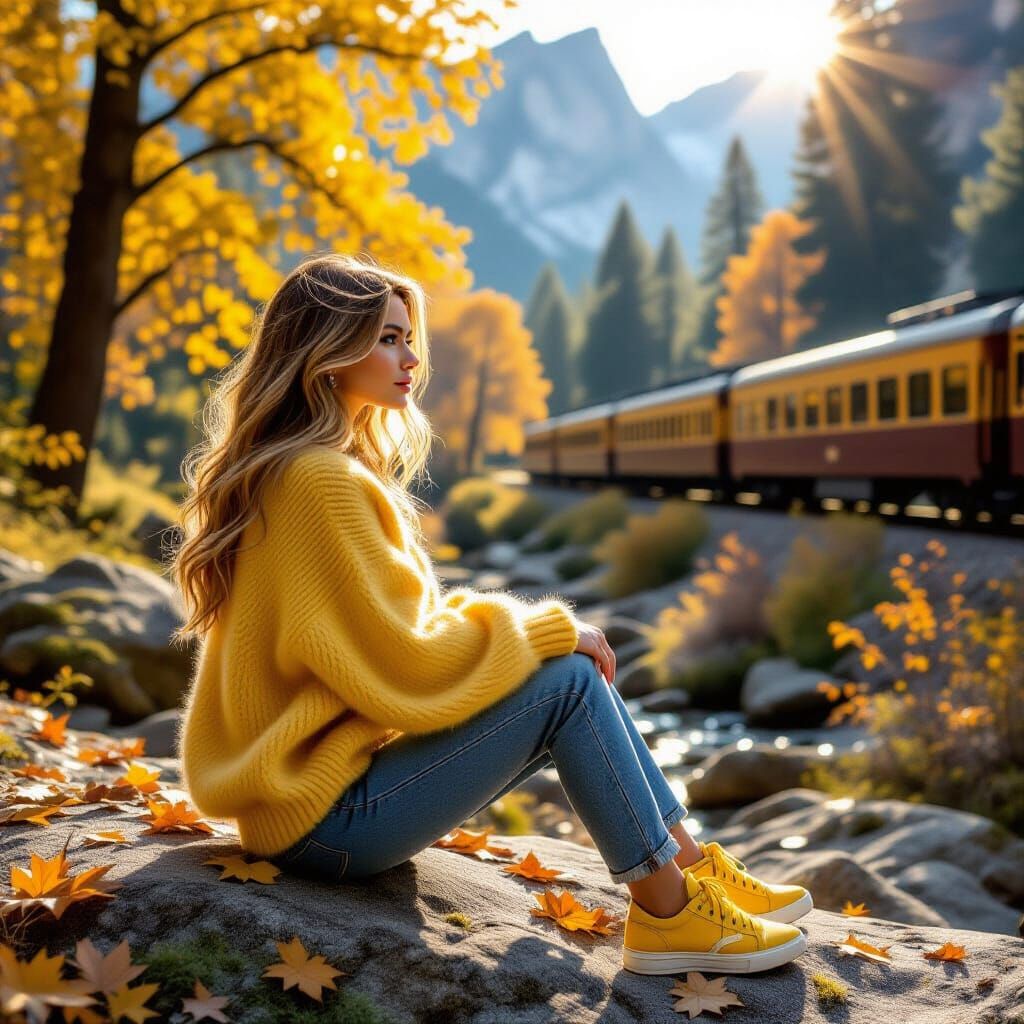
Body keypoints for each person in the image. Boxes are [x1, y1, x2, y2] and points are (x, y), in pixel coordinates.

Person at [170, 252, 812, 976]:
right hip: (325, 823)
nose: (411, 358)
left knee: (564, 677)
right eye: (386, 338)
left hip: (302, 808)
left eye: (408, 337)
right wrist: (548, 629)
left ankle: (689, 868)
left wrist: (538, 638)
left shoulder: (294, 469)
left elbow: (395, 631)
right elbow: (406, 662)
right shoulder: (321, 482)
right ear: (325, 351)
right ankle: (670, 911)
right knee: (568, 682)